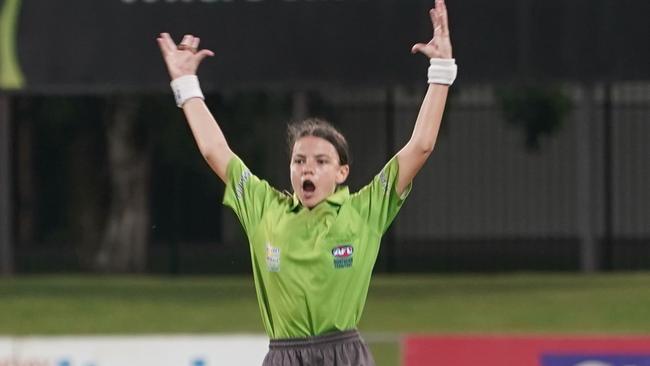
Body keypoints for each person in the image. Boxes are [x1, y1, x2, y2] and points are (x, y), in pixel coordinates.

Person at [156, 0, 456, 364]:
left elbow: (420, 146)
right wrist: (186, 85)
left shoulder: (364, 210)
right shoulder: (264, 208)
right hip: (283, 356)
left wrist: (440, 70)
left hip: (344, 354)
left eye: (320, 161)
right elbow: (214, 151)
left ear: (341, 172)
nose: (306, 169)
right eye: (299, 161)